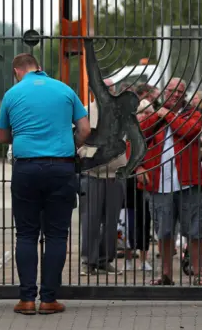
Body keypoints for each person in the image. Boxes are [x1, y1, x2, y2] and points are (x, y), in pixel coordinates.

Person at [0, 53, 90, 315]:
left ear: (17, 70)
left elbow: (2, 136)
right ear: (40, 67)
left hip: (26, 168)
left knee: (26, 234)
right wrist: (71, 146)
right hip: (61, 167)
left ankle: (26, 299)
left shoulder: (12, 94)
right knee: (57, 234)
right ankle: (49, 299)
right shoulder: (65, 90)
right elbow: (85, 129)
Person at [135, 77, 202, 286]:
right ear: (164, 92)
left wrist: (166, 115)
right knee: (163, 231)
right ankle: (166, 274)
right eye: (171, 90)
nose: (176, 94)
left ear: (184, 95)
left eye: (180, 91)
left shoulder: (192, 114)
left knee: (194, 231)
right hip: (160, 184)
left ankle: (197, 273)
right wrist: (138, 166)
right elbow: (137, 137)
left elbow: (188, 131)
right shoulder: (153, 115)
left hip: (189, 183)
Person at [77, 81, 126, 276]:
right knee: (91, 218)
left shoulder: (122, 113)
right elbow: (77, 138)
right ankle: (88, 261)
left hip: (116, 174)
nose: (108, 91)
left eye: (111, 88)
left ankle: (106, 260)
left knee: (112, 220)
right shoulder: (85, 112)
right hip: (92, 173)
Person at [122, 99, 154, 271]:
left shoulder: (153, 133)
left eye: (148, 113)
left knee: (145, 220)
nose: (145, 116)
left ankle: (143, 258)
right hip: (129, 180)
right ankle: (127, 258)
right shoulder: (130, 131)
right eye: (142, 112)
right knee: (128, 219)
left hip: (147, 182)